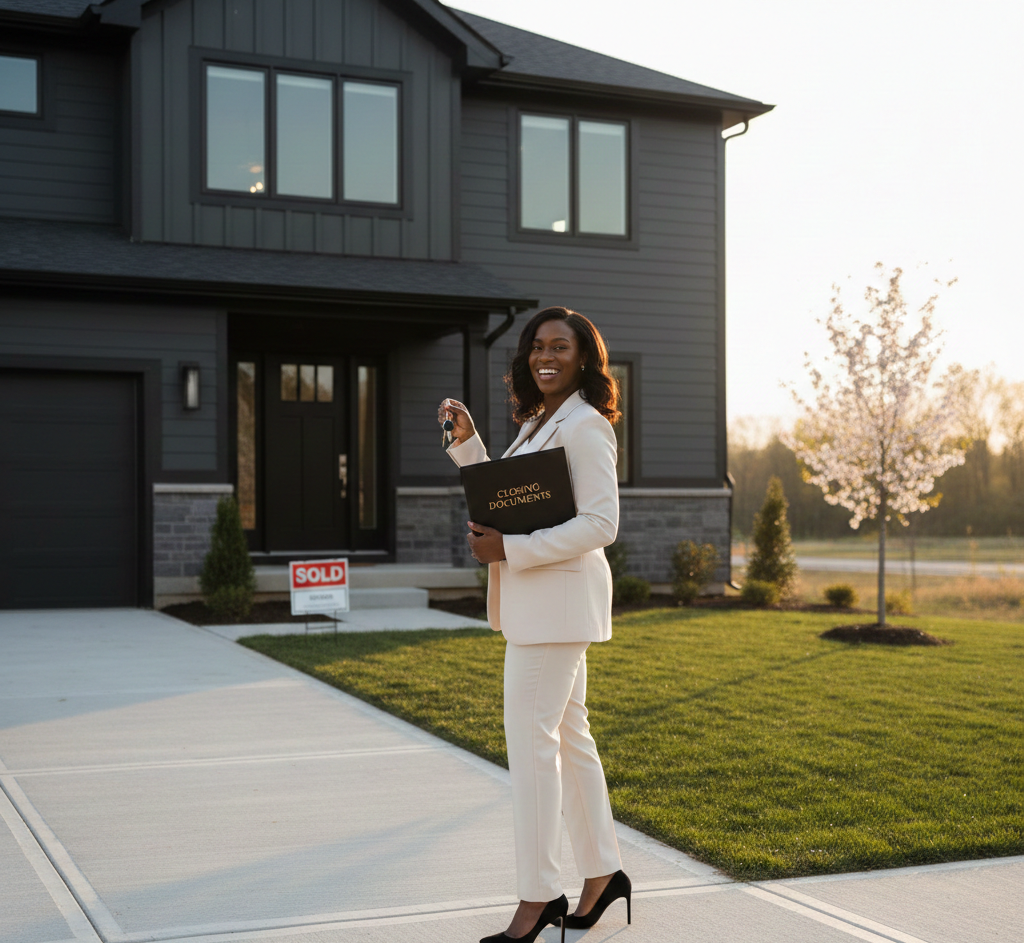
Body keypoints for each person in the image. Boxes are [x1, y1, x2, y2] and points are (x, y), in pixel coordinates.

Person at [437, 307, 632, 943]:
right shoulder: (537, 423)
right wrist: (467, 444)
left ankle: (539, 895)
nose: (546, 356)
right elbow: (508, 495)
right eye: (537, 347)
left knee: (531, 745)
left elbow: (602, 524)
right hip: (540, 605)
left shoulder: (585, 425)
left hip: (556, 609)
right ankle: (602, 873)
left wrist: (510, 550)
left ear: (583, 358)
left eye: (561, 347)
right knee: (569, 741)